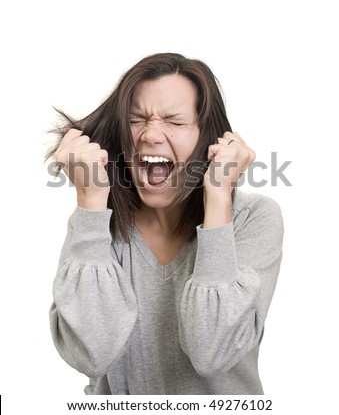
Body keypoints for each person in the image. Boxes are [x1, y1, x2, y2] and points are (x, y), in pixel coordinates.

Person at [47, 52, 283, 395]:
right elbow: (90, 355)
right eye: (136, 119)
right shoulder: (94, 226)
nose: (151, 134)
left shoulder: (254, 217)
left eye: (174, 121)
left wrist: (218, 195)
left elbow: (212, 353)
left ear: (209, 138)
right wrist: (92, 202)